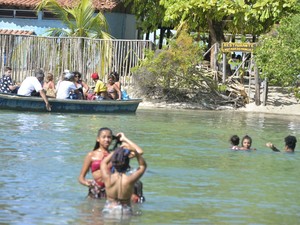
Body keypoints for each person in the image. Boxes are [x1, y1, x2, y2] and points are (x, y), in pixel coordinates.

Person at [101, 141, 147, 215]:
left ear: (113, 161)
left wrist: (116, 151)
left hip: (109, 208)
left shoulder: (108, 178)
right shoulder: (130, 179)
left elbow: (103, 163)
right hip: (124, 211)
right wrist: (135, 151)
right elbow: (143, 166)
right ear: (127, 163)